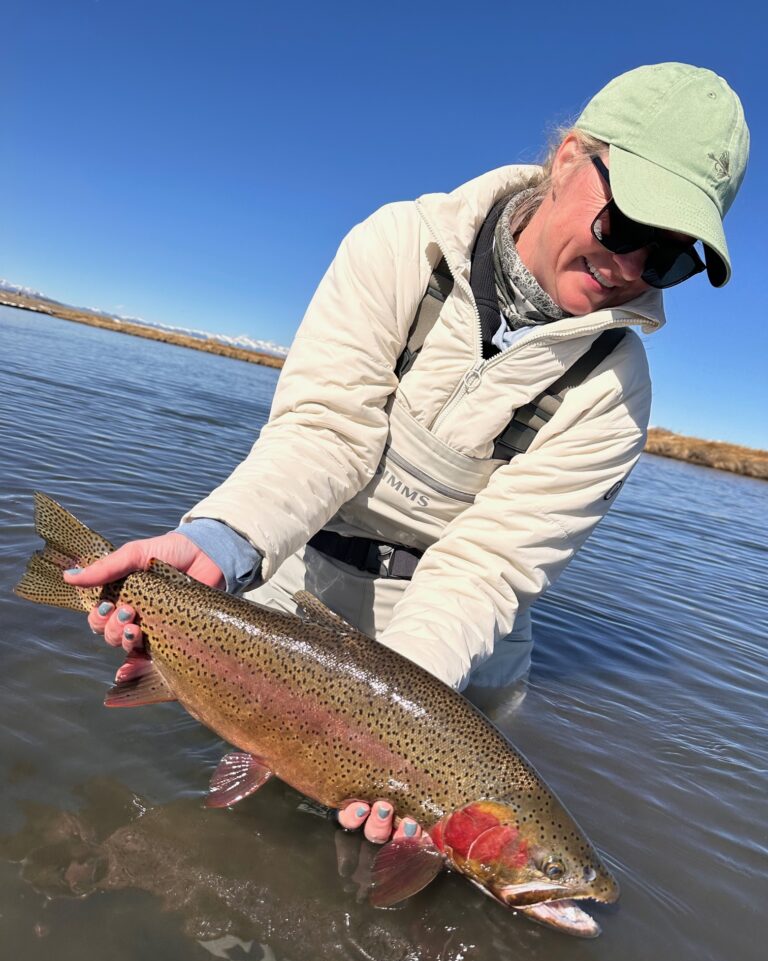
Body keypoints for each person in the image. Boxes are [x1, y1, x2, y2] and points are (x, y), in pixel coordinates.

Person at [65, 63, 749, 845]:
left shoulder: (616, 392)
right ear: (568, 159)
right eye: (626, 224)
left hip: (455, 644)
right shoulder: (401, 245)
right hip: (302, 584)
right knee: (241, 829)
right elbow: (324, 432)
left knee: (430, 838)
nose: (630, 268)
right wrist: (222, 542)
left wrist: (392, 729)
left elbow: (486, 568)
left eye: (668, 258)